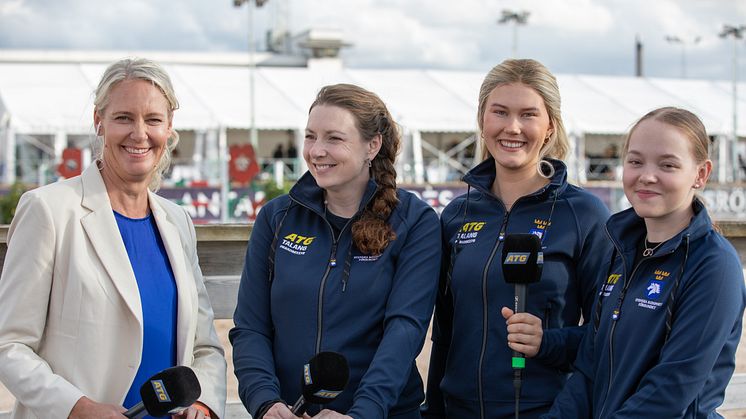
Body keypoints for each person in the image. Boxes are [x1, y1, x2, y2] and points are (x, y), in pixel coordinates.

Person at [0, 58, 227, 419]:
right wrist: (77, 408)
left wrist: (202, 402)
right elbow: (8, 344)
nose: (139, 134)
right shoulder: (49, 210)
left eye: (153, 119)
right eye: (124, 118)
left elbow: (204, 346)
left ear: (169, 128)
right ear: (99, 122)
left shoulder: (177, 221)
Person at [230, 83, 441, 419]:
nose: (316, 150)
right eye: (310, 136)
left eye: (334, 138)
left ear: (372, 145)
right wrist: (265, 401)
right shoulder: (277, 217)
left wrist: (363, 413)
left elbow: (405, 330)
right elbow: (250, 326)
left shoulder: (415, 222)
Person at [421, 59, 611, 419]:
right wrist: (434, 409)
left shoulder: (583, 214)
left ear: (550, 125)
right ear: (482, 120)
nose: (513, 127)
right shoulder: (456, 215)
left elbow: (609, 334)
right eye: (500, 112)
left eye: (528, 114)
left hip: (548, 409)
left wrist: (549, 342)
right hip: (458, 410)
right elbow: (444, 330)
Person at [543, 107, 746, 418]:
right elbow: (590, 367)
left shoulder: (714, 266)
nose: (646, 176)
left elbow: (670, 391)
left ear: (701, 174)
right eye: (635, 161)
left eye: (667, 164)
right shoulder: (620, 251)